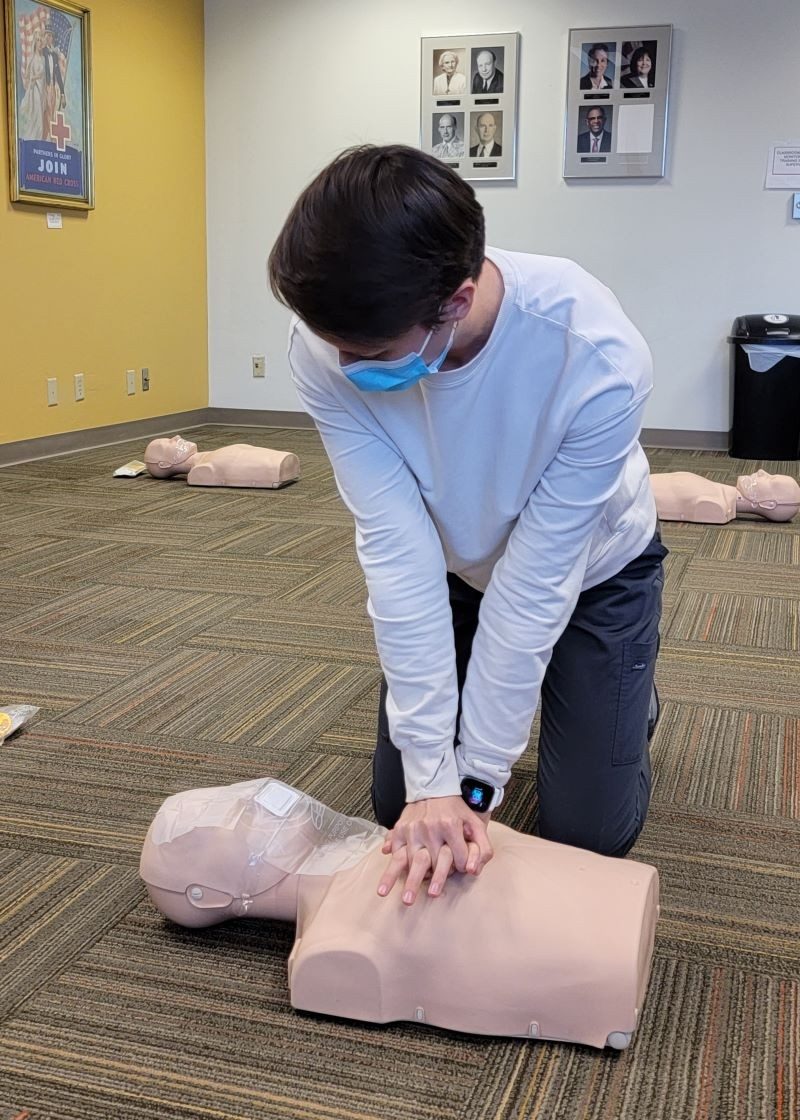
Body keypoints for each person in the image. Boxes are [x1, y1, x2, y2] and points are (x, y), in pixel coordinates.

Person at [268, 144, 666, 905]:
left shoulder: (594, 355)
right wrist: (430, 781)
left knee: (589, 832)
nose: (347, 369)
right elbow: (394, 551)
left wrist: (476, 784)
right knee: (400, 804)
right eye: (336, 349)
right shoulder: (326, 344)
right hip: (452, 565)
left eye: (372, 354)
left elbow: (538, 578)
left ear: (456, 299)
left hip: (593, 571)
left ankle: (629, 692)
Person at [140, 775, 659, 1047]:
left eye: (243, 799)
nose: (259, 803)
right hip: (596, 962)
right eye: (235, 819)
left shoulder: (386, 845)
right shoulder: (331, 949)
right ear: (205, 895)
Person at [143, 434, 300, 488]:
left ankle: (278, 462)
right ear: (165, 464)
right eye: (167, 444)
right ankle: (276, 466)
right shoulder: (202, 469)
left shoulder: (209, 457)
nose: (176, 438)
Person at [651, 469, 800, 524]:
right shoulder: (718, 491)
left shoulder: (715, 505)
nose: (762, 472)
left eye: (770, 480)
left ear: (768, 504)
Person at [17, 27, 48, 142]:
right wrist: (34, 78)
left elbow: (44, 77)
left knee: (40, 114)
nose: (40, 43)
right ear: (35, 42)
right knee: (36, 115)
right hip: (34, 89)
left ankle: (38, 140)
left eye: (41, 40)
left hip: (41, 90)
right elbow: (28, 76)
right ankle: (32, 139)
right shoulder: (32, 58)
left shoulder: (43, 59)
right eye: (38, 40)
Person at [42, 28, 67, 137]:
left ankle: (48, 136)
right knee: (45, 111)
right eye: (47, 35)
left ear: (53, 38)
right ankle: (48, 135)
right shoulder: (42, 51)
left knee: (51, 112)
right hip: (43, 86)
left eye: (50, 35)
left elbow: (58, 75)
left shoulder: (54, 55)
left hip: (52, 87)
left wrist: (62, 93)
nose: (48, 37)